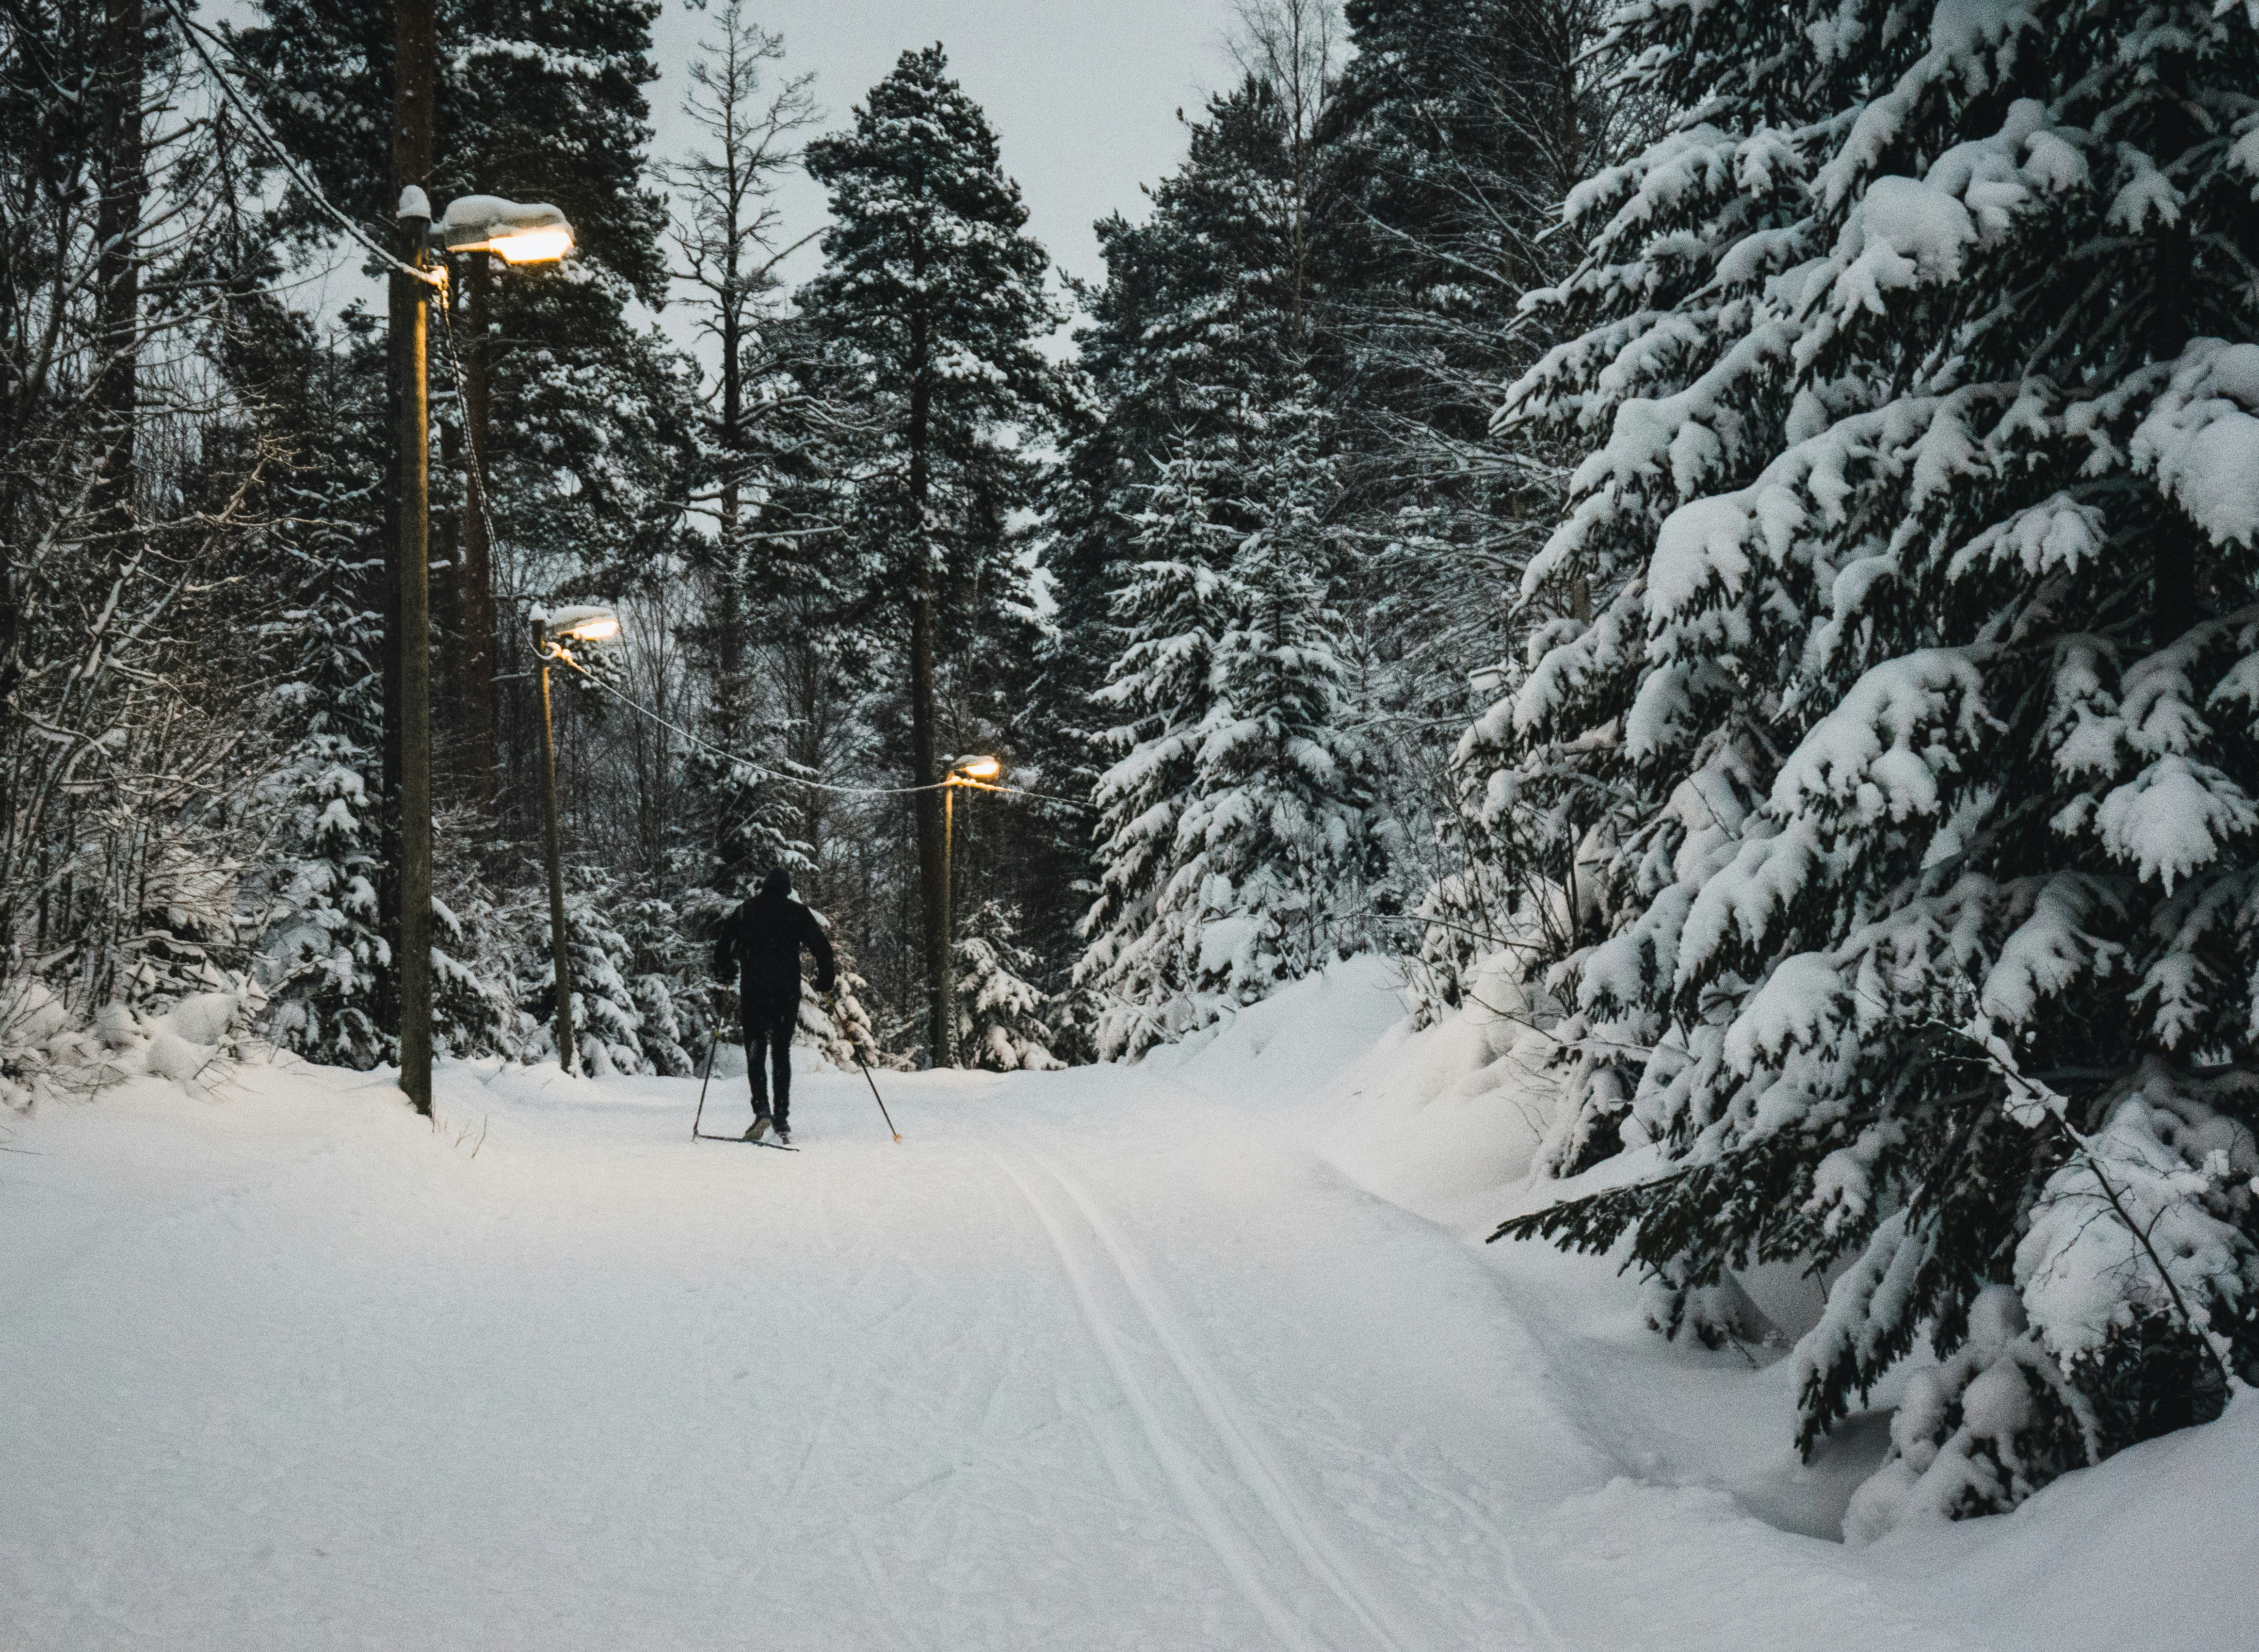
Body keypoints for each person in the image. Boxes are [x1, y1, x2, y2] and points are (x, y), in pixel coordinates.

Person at [712, 867, 836, 1144]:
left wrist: (727, 968)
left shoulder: (745, 911)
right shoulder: (797, 912)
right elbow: (822, 948)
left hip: (754, 991)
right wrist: (825, 978)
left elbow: (722, 948)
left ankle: (762, 1110)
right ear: (787, 889)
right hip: (785, 992)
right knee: (781, 1050)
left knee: (755, 1048)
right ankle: (781, 1115)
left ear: (765, 887)